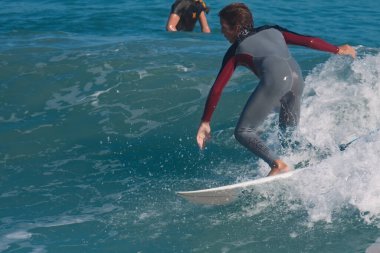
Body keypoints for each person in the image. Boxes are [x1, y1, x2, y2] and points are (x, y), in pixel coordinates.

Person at [196, 3, 356, 176]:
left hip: (277, 77)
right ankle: (322, 155)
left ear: (235, 28)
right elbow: (308, 41)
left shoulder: (235, 50)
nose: (222, 32)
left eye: (223, 27)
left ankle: (277, 165)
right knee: (288, 136)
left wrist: (205, 122)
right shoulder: (272, 29)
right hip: (296, 77)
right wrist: (338, 49)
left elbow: (217, 89)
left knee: (243, 132)